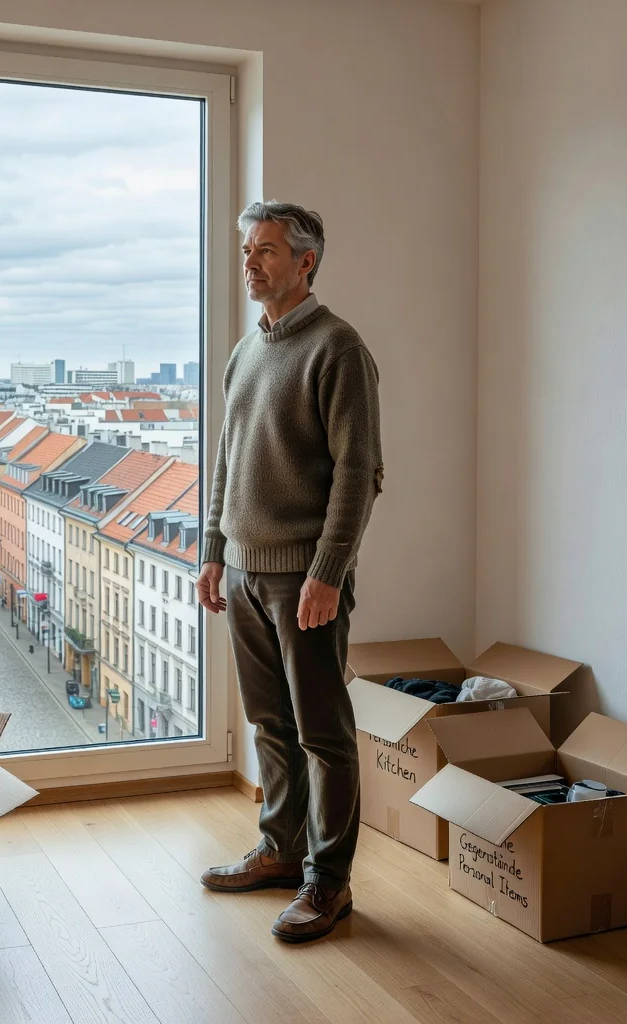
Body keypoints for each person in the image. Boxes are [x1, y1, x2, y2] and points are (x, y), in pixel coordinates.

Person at [197, 201, 383, 943]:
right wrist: (213, 550)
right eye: (247, 249)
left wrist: (328, 571)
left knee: (323, 734)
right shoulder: (247, 352)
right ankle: (280, 849)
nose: (250, 261)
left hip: (303, 578)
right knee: (269, 724)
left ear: (305, 261)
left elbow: (358, 472)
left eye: (266, 250)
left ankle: (328, 884)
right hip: (242, 573)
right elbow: (226, 460)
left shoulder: (338, 349)